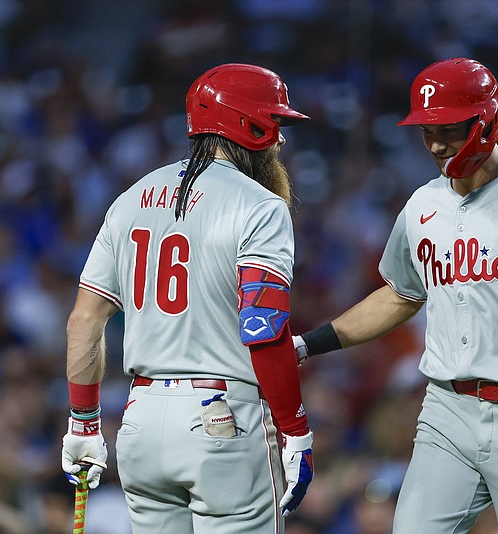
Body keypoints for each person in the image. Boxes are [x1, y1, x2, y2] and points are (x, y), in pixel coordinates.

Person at [294, 58, 498, 533]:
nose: (435, 143)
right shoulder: (422, 205)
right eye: (427, 130)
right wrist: (309, 344)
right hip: (446, 412)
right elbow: (399, 295)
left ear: (487, 120)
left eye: (448, 129)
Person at [60, 63, 315, 533]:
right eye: (274, 123)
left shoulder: (131, 197)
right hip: (221, 419)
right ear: (250, 125)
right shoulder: (260, 205)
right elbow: (264, 326)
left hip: (138, 423)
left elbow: (84, 321)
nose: (279, 139)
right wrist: (295, 428)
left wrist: (84, 421)